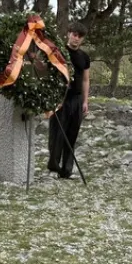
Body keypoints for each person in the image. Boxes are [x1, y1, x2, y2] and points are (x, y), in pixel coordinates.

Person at [48, 22, 91, 180]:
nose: (76, 38)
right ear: (69, 34)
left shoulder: (84, 57)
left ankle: (67, 170)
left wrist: (85, 101)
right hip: (61, 98)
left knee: (72, 134)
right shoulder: (59, 52)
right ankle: (54, 167)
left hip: (77, 99)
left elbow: (86, 80)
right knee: (57, 133)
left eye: (80, 36)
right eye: (74, 34)